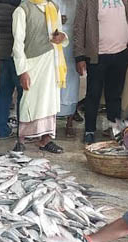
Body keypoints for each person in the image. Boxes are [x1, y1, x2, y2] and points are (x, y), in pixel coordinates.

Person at [74, 0, 128, 144]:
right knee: (93, 95)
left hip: (121, 55)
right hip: (96, 56)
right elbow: (78, 27)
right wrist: (79, 56)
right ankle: (89, 131)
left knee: (115, 96)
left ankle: (114, 129)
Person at [11, 0, 68, 154]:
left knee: (48, 101)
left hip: (52, 62)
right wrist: (22, 71)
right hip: (31, 65)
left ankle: (46, 139)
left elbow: (60, 33)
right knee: (29, 102)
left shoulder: (53, 7)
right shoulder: (22, 10)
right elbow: (17, 45)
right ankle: (21, 139)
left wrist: (61, 36)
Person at [0, 0, 22, 139]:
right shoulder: (17, 6)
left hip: (3, 51)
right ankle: (22, 129)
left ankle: (2, 129)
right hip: (17, 54)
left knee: (4, 93)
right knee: (22, 93)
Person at [54, 0, 79, 138]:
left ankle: (69, 122)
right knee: (53, 82)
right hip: (53, 42)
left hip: (72, 45)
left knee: (71, 82)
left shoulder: (77, 2)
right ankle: (50, 123)